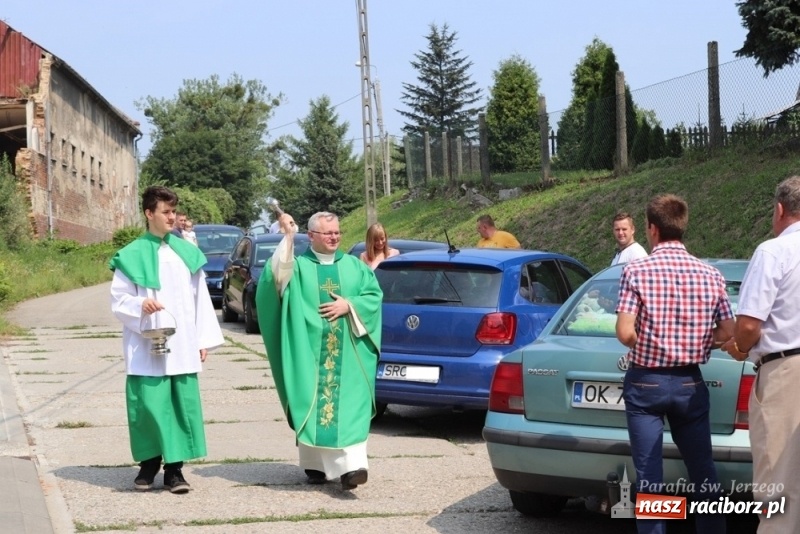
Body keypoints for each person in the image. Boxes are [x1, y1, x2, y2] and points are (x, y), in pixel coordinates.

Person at [615, 194, 734, 534]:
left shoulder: (636, 271)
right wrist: (693, 341)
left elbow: (625, 332)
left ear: (651, 229)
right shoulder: (711, 275)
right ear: (682, 227)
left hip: (645, 383)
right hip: (689, 385)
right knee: (703, 471)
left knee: (650, 475)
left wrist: (654, 340)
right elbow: (728, 331)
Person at [109, 186, 224, 494]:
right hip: (145, 345)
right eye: (166, 212)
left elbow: (201, 301)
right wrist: (139, 306)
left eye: (174, 212)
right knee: (148, 405)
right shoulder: (131, 255)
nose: (172, 217)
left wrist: (203, 340)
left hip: (183, 343)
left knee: (179, 406)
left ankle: (175, 471)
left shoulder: (186, 253)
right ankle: (148, 466)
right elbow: (118, 299)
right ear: (149, 213)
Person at [255, 211, 382, 491]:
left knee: (351, 406)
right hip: (308, 351)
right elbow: (273, 278)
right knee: (310, 402)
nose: (335, 237)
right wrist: (288, 236)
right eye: (328, 233)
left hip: (350, 352)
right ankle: (314, 464)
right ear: (311, 236)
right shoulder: (298, 267)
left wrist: (349, 305)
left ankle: (353, 468)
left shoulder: (354, 266)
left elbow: (373, 296)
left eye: (337, 232)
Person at [720, 176, 800, 533]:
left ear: (780, 210)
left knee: (779, 486)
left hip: (787, 373)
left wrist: (739, 347)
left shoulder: (773, 251)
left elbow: (749, 326)